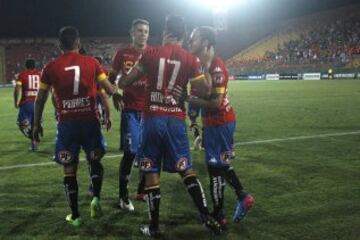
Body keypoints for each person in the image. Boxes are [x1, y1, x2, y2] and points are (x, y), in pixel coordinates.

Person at [116, 15, 222, 237]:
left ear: (165, 33)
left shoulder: (151, 53)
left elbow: (124, 82)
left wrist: (123, 78)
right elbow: (205, 91)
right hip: (175, 119)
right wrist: (185, 91)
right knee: (186, 169)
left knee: (151, 170)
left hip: (152, 117)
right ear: (183, 35)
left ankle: (153, 227)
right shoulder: (190, 59)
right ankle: (205, 215)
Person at [33, 26, 120, 227]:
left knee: (69, 169)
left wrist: (36, 124)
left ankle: (75, 215)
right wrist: (116, 91)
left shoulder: (50, 67)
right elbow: (108, 90)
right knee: (95, 160)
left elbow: (40, 99)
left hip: (67, 124)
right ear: (78, 43)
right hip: (90, 121)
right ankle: (96, 197)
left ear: (60, 45)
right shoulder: (92, 63)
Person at [187, 26, 255, 230]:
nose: (190, 41)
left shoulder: (217, 68)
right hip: (213, 124)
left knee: (215, 170)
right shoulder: (198, 66)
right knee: (221, 165)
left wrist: (186, 98)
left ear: (206, 43)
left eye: (194, 38)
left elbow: (215, 103)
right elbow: (196, 98)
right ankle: (242, 197)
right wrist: (193, 123)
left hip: (221, 122)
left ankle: (219, 215)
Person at [108, 18, 150, 210]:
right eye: (140, 30)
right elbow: (110, 79)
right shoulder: (122, 54)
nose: (143, 34)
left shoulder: (153, 53)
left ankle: (142, 191)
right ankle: (123, 196)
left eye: (146, 31)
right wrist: (115, 93)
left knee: (148, 152)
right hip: (131, 110)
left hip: (150, 111)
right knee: (131, 152)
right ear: (131, 33)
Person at [13, 59, 41, 151]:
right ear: (34, 66)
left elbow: (17, 89)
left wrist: (16, 101)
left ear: (26, 66)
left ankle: (34, 138)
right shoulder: (40, 75)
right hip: (38, 104)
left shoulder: (22, 75)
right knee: (34, 125)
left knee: (22, 124)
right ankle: (34, 146)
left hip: (27, 103)